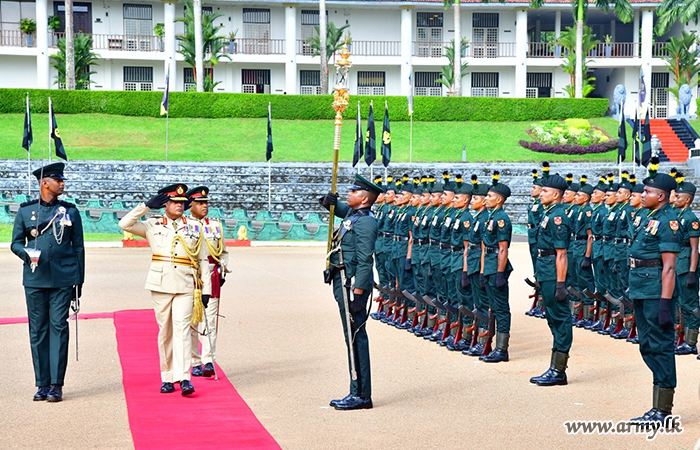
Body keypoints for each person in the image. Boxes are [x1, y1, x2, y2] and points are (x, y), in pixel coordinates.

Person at [118, 184, 211, 396]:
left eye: (182, 203)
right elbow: (125, 224)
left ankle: (184, 377)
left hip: (186, 284)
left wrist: (205, 288)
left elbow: (203, 259)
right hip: (161, 284)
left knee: (183, 329)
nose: (180, 205)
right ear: (165, 204)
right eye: (175, 202)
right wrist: (145, 207)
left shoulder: (194, 226)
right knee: (165, 332)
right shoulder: (153, 224)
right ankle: (167, 376)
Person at [11, 162, 84, 402]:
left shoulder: (70, 211)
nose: (62, 183)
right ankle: (41, 383)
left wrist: (78, 281)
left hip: (63, 278)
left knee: (59, 328)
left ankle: (56, 383)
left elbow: (79, 248)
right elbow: (15, 243)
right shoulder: (25, 211)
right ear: (45, 183)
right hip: (35, 277)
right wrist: (26, 254)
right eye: (57, 180)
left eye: (62, 180)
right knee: (38, 330)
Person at [321, 174, 383, 411]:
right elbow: (341, 209)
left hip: (351, 283)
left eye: (354, 192)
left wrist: (358, 293)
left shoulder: (366, 221)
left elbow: (365, 260)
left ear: (364, 199)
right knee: (351, 337)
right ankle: (356, 390)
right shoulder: (354, 215)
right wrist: (329, 202)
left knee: (355, 336)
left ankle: (361, 394)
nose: (349, 194)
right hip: (342, 279)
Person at [629, 160, 680, 424]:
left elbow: (669, 267)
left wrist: (664, 303)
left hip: (656, 291)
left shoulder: (669, 221)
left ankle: (662, 409)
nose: (642, 195)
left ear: (661, 196)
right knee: (647, 345)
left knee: (660, 346)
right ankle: (657, 405)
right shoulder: (647, 217)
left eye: (647, 192)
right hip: (641, 287)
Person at [529, 174, 572, 386]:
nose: (540, 194)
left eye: (545, 191)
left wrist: (561, 284)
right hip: (546, 271)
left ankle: (558, 370)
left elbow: (561, 253)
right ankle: (555, 367)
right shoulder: (548, 213)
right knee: (553, 318)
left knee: (560, 319)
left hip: (554, 274)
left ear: (556, 195)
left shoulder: (558, 217)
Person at [186, 186, 230, 377]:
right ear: (190, 205)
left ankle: (209, 360)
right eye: (200, 203)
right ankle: (195, 361)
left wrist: (223, 272)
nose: (205, 206)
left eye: (206, 203)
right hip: (190, 277)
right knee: (192, 321)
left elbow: (224, 252)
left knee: (210, 321)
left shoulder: (215, 225)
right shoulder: (184, 224)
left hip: (211, 276)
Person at [479, 171, 513, 363]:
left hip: (497, 267)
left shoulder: (502, 219)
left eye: (490, 196)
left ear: (499, 200)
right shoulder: (491, 217)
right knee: (493, 307)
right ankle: (493, 346)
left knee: (501, 309)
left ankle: (502, 349)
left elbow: (502, 249)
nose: (486, 199)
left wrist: (500, 273)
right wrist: (484, 272)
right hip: (490, 266)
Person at [671, 173, 700, 355]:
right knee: (680, 304)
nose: (676, 198)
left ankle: (691, 342)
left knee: (690, 304)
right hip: (677, 264)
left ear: (688, 200)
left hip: (686, 265)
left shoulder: (691, 219)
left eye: (679, 196)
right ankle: (681, 339)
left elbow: (694, 248)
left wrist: (691, 272)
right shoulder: (678, 215)